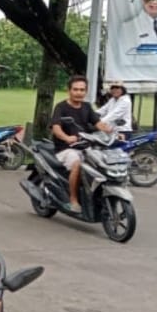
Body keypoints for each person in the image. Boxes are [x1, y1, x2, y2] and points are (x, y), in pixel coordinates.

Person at [50, 75, 114, 213]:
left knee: (101, 162)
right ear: (69, 90)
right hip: (66, 149)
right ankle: (73, 199)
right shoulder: (61, 107)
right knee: (77, 163)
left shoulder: (86, 106)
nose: (79, 93)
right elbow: (56, 128)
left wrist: (110, 130)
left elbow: (98, 123)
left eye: (82, 90)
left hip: (86, 147)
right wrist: (67, 138)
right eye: (76, 89)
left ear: (86, 91)